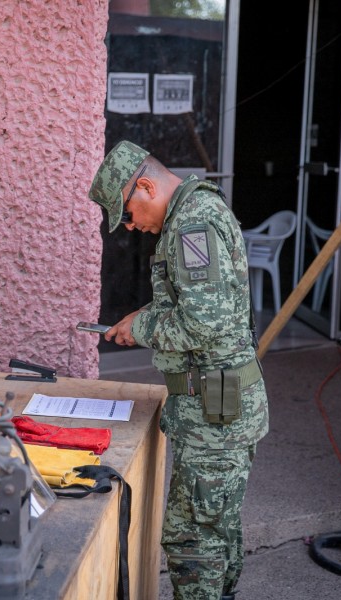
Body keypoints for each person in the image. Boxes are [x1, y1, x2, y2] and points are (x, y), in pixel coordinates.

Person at [88, 141, 269, 600]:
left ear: (146, 185)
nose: (132, 226)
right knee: (217, 529)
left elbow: (205, 322)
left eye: (128, 214)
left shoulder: (191, 223)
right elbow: (198, 302)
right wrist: (140, 318)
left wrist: (143, 326)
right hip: (215, 406)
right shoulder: (193, 213)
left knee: (194, 543)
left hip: (215, 414)